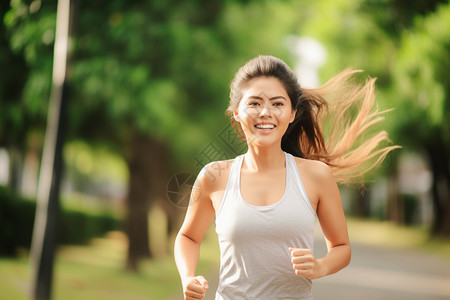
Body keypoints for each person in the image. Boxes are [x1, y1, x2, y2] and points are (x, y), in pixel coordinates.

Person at [174, 55, 398, 300]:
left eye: (278, 104)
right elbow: (188, 237)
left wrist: (320, 266)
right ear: (237, 112)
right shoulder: (214, 177)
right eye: (255, 103)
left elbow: (342, 248)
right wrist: (188, 276)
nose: (265, 113)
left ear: (292, 113)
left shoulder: (316, 176)